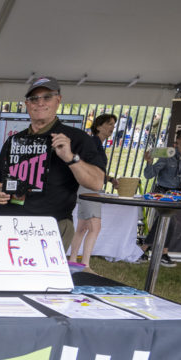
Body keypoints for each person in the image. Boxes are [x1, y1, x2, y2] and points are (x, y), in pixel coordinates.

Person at [0, 77, 106, 251]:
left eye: (47, 97)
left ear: (58, 100)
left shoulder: (77, 139)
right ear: (27, 104)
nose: (40, 103)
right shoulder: (14, 140)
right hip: (9, 227)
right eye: (34, 99)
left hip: (50, 228)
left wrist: (70, 157)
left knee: (42, 280)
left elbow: (96, 182)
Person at [139, 128, 181, 266]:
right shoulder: (167, 155)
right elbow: (149, 175)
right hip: (162, 192)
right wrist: (149, 162)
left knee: (167, 221)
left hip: (179, 194)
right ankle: (160, 252)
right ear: (178, 140)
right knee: (168, 220)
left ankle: (146, 250)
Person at [70, 113, 116, 265]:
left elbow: (94, 168)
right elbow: (84, 166)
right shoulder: (92, 143)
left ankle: (72, 260)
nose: (112, 127)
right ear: (98, 126)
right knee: (95, 227)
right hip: (88, 188)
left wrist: (108, 179)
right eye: (109, 124)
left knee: (82, 227)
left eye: (113, 125)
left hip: (86, 187)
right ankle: (85, 264)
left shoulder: (96, 144)